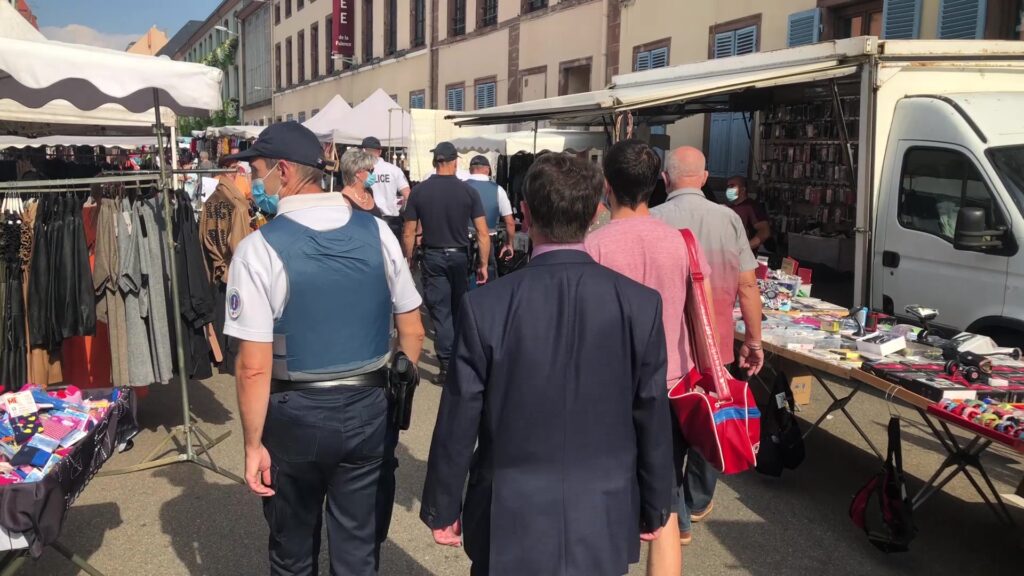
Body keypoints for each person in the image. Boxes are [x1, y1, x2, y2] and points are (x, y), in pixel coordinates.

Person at [421, 153, 674, 576]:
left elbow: (460, 412)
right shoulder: (640, 304)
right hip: (603, 506)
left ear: (524, 212)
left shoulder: (487, 306)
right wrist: (655, 502)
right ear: (597, 212)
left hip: (510, 508)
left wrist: (443, 504)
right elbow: (651, 411)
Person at [221, 121, 425, 576]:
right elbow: (412, 330)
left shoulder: (257, 250)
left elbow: (252, 367)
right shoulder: (379, 233)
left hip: (295, 413)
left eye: (257, 170)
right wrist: (396, 396)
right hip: (369, 408)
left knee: (293, 554)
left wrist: (253, 444)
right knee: (358, 552)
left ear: (284, 172)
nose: (255, 183)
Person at [585, 139, 713, 576]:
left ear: (607, 185)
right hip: (671, 385)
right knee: (667, 502)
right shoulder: (681, 243)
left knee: (602, 496)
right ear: (657, 184)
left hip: (609, 390)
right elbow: (703, 313)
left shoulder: (594, 246)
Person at [651, 146, 765, 545]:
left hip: (666, 352)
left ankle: (676, 516)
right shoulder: (730, 219)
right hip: (715, 348)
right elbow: (748, 285)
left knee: (667, 436)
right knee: (709, 422)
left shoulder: (651, 221)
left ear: (665, 180)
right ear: (704, 178)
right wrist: (753, 339)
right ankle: (699, 501)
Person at [402, 142, 489, 385]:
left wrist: (407, 259)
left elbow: (409, 232)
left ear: (435, 162)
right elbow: (482, 232)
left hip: (433, 255)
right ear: (455, 162)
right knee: (460, 309)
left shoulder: (419, 191)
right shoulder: (469, 192)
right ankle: (463, 359)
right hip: (460, 256)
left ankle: (446, 365)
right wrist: (483, 263)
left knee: (441, 312)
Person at [465, 155, 515, 284]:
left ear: (471, 170)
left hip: (463, 241)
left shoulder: (460, 187)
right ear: (487, 170)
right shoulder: (498, 190)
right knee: (490, 279)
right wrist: (509, 243)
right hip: (488, 241)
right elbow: (510, 222)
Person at [362, 136, 411, 238]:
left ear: (363, 151)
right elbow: (408, 195)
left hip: (368, 219)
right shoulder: (394, 170)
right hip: (391, 219)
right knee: (392, 253)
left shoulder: (360, 171)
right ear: (379, 152)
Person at [726, 175, 771, 254]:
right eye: (728, 186)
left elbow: (765, 231)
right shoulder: (730, 207)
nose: (729, 189)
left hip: (746, 256)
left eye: (732, 186)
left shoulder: (751, 207)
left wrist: (746, 248)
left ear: (743, 190)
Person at [339, 148, 384, 218]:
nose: (373, 173)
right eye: (370, 170)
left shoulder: (369, 192)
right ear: (358, 172)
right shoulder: (343, 200)